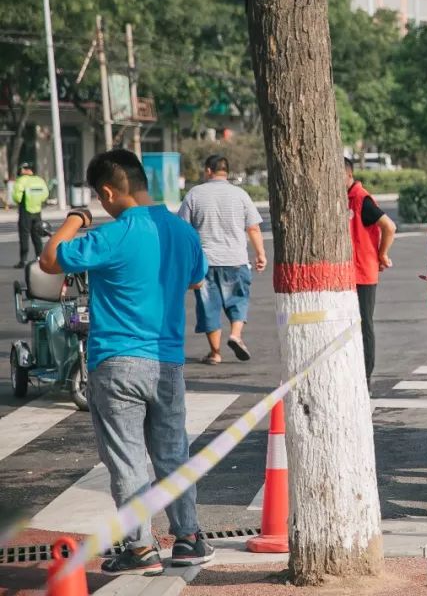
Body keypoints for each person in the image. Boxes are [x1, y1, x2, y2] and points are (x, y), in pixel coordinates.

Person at [38, 149, 214, 574]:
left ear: (107, 192)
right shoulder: (181, 231)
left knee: (128, 457)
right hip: (167, 362)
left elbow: (49, 260)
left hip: (116, 362)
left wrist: (76, 220)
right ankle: (189, 538)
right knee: (173, 451)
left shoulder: (112, 235)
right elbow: (196, 276)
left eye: (101, 200)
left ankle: (139, 549)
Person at [177, 155, 267, 365]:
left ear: (208, 170)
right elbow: (253, 227)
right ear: (226, 171)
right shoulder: (240, 194)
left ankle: (215, 353)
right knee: (238, 300)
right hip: (235, 259)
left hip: (206, 262)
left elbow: (183, 230)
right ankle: (236, 335)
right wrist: (260, 253)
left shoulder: (194, 194)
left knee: (209, 306)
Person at [345, 157, 397, 381]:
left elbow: (389, 226)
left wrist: (381, 254)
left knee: (364, 323)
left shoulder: (361, 199)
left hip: (363, 273)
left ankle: (365, 377)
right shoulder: (344, 198)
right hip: (346, 273)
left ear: (347, 175)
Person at [13, 162, 49, 268]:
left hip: (25, 211)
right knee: (37, 235)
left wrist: (19, 201)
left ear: (25, 170)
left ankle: (23, 260)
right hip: (37, 211)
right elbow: (45, 195)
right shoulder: (40, 180)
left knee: (24, 236)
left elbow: (16, 197)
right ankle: (39, 258)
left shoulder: (21, 180)